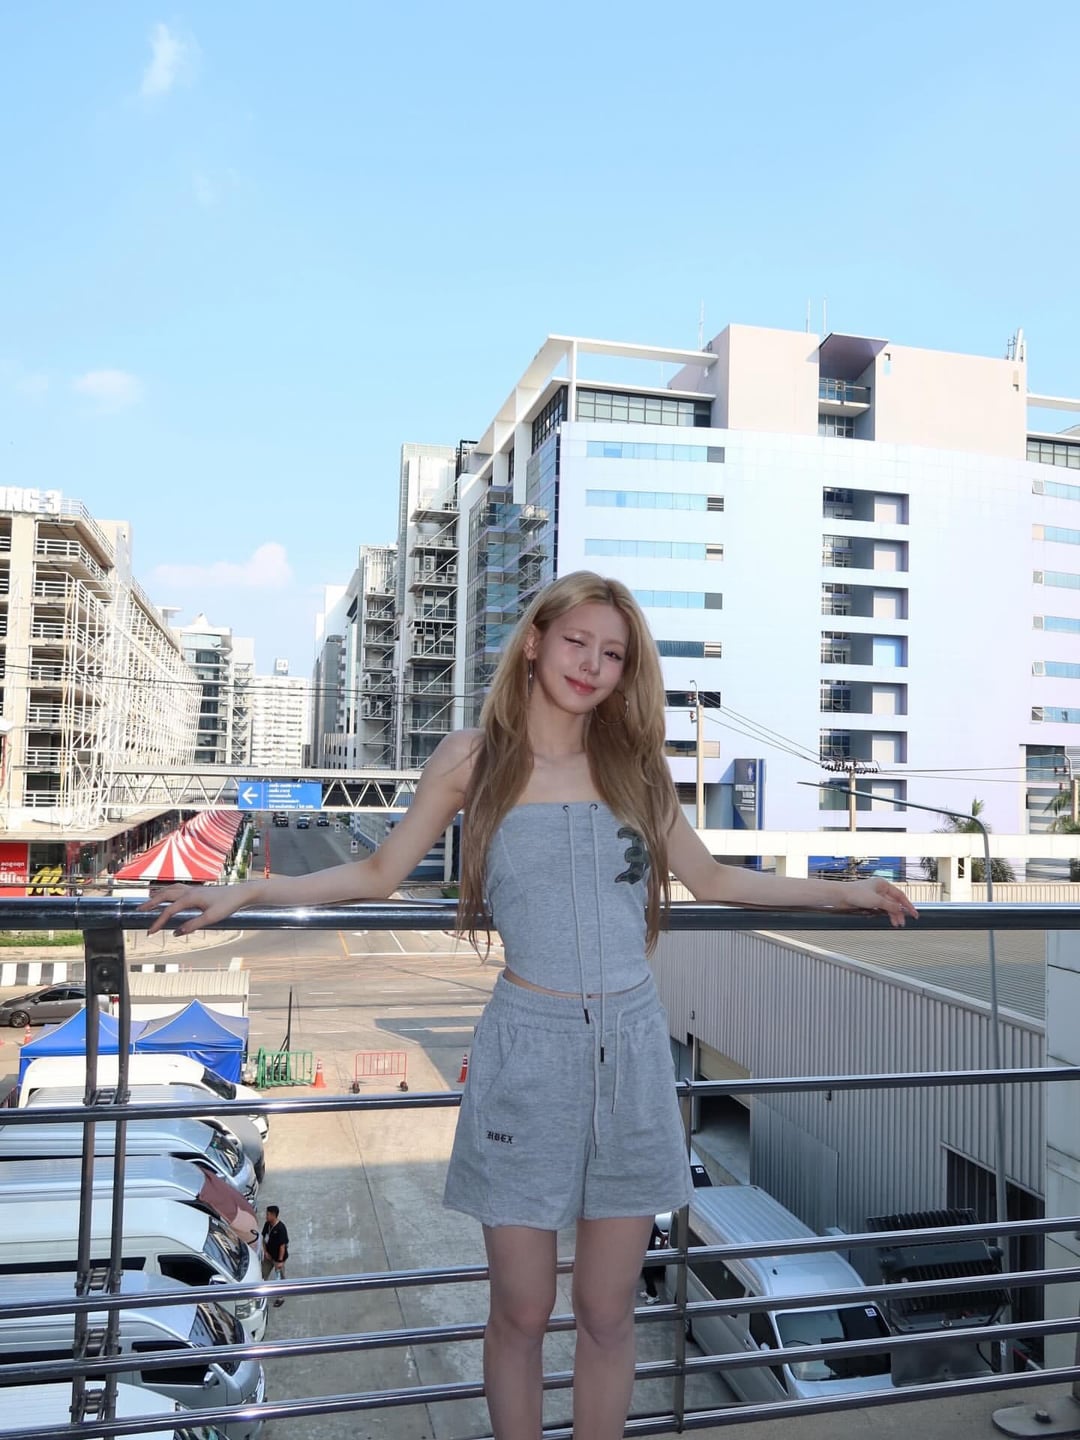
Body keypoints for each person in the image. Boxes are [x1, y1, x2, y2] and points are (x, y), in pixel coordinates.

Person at [142, 571, 916, 1440]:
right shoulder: (473, 759)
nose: (591, 665)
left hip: (631, 1050)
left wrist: (843, 893)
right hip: (527, 1052)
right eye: (577, 642)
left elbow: (711, 878)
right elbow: (378, 872)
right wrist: (249, 890)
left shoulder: (634, 768)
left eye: (612, 654)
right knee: (520, 1308)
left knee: (609, 1311)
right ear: (537, 642)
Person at [261, 1204, 289, 1307]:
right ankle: (260, 1292)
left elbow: (282, 1246)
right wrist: (265, 1252)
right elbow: (263, 1239)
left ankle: (280, 1297)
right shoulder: (267, 1225)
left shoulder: (281, 1228)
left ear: (273, 1215)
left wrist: (280, 1261)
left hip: (278, 1259)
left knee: (279, 1279)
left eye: (267, 1214)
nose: (266, 1216)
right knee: (262, 1274)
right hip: (269, 1256)